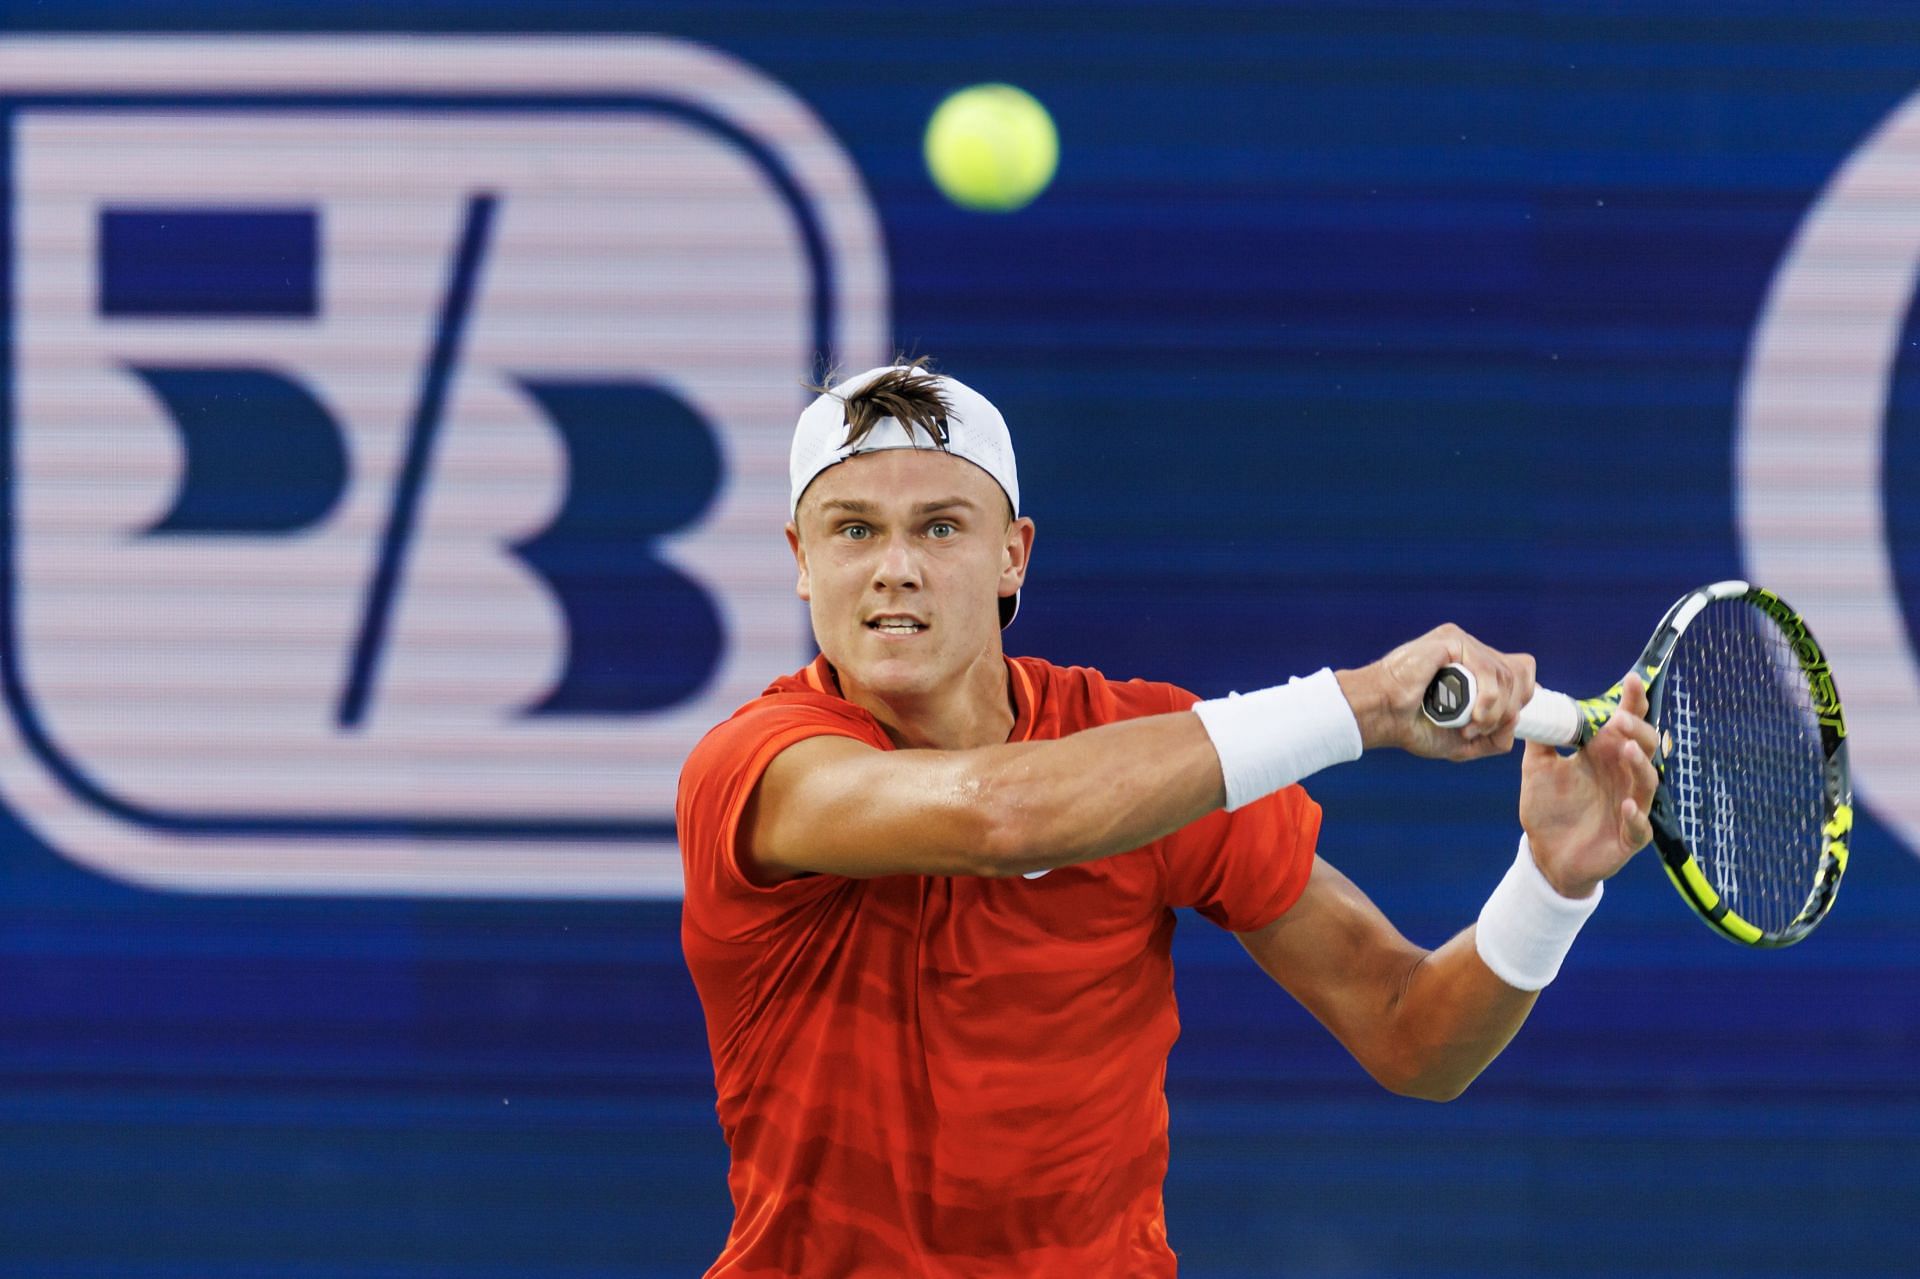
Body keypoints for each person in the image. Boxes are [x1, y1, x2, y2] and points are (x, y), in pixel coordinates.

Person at [676, 361, 1659, 1278]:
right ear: (802, 561)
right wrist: (1360, 706)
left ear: (1012, 556)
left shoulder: (1155, 756)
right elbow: (1002, 816)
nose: (895, 567)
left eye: (940, 528)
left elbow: (1415, 1037)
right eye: (853, 530)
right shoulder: (756, 770)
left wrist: (1553, 882)